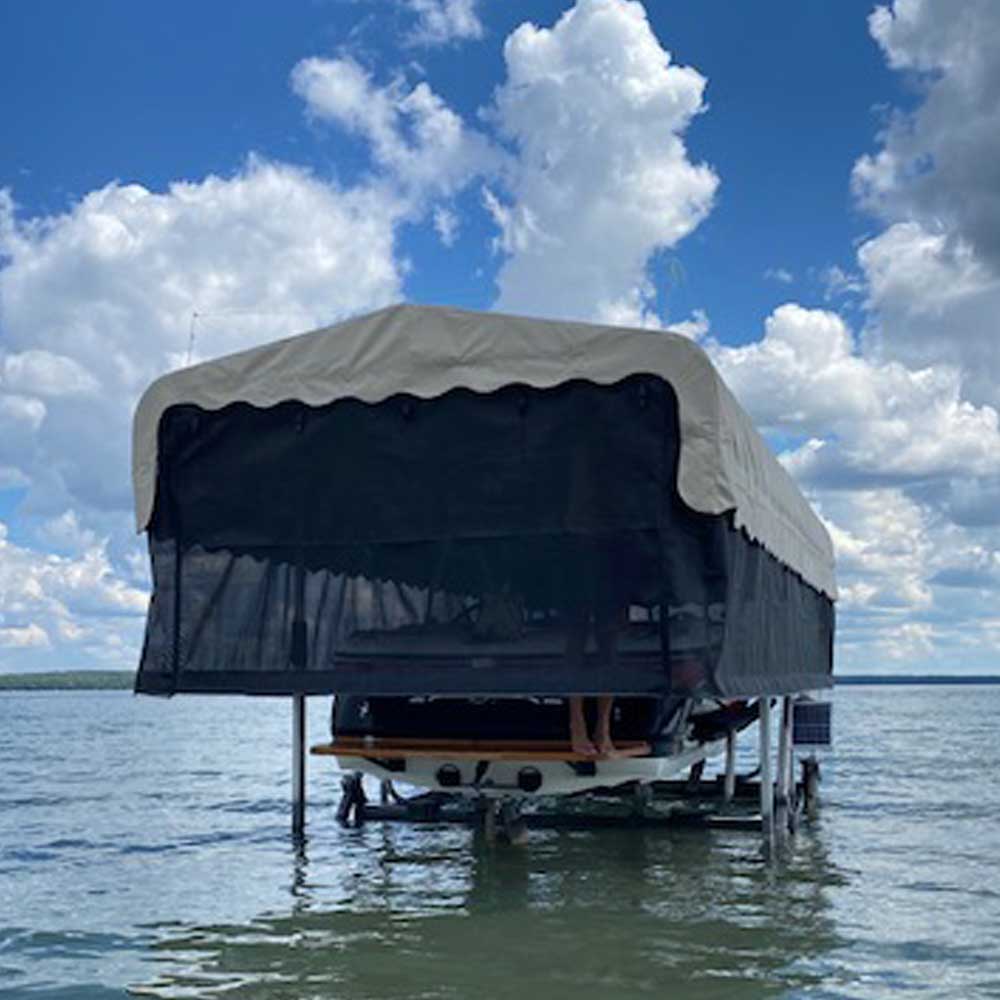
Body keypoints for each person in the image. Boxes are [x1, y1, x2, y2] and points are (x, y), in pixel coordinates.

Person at [562, 536, 629, 756]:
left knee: (609, 638)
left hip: (614, 549)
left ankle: (603, 726)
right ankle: (577, 722)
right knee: (576, 634)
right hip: (577, 547)